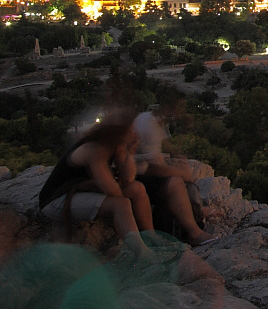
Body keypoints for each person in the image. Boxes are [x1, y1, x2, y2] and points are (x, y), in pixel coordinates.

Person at [37, 111, 154, 258]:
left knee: (137, 188)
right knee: (121, 204)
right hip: (56, 200)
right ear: (117, 134)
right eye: (131, 131)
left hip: (79, 192)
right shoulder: (95, 150)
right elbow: (113, 192)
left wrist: (129, 151)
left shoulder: (114, 146)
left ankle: (151, 236)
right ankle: (142, 253)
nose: (134, 134)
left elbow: (129, 178)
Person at [133, 106, 218, 246]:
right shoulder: (150, 126)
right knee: (176, 181)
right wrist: (177, 171)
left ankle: (197, 211)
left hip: (138, 171)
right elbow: (150, 167)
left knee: (182, 173)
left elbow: (164, 147)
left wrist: (176, 157)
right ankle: (194, 232)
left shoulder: (153, 120)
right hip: (137, 175)